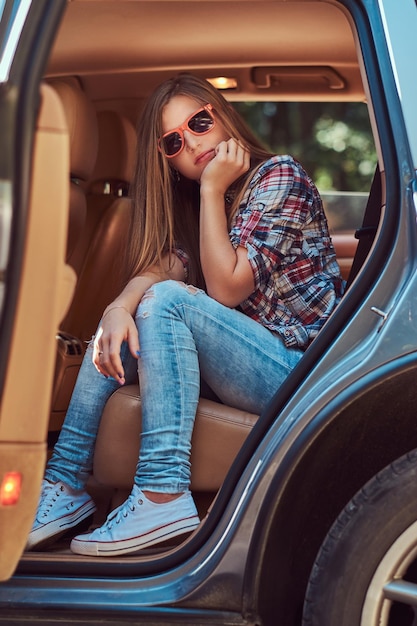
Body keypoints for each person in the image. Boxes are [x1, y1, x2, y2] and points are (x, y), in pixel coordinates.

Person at [27, 73, 344, 557]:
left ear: (220, 114)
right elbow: (166, 265)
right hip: (255, 362)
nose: (193, 142)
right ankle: (64, 484)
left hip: (304, 371)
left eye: (199, 122)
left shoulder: (280, 176)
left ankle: (162, 492)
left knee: (169, 301)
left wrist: (213, 189)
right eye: (175, 140)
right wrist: (117, 308)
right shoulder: (196, 204)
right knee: (131, 316)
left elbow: (226, 286)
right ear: (167, 159)